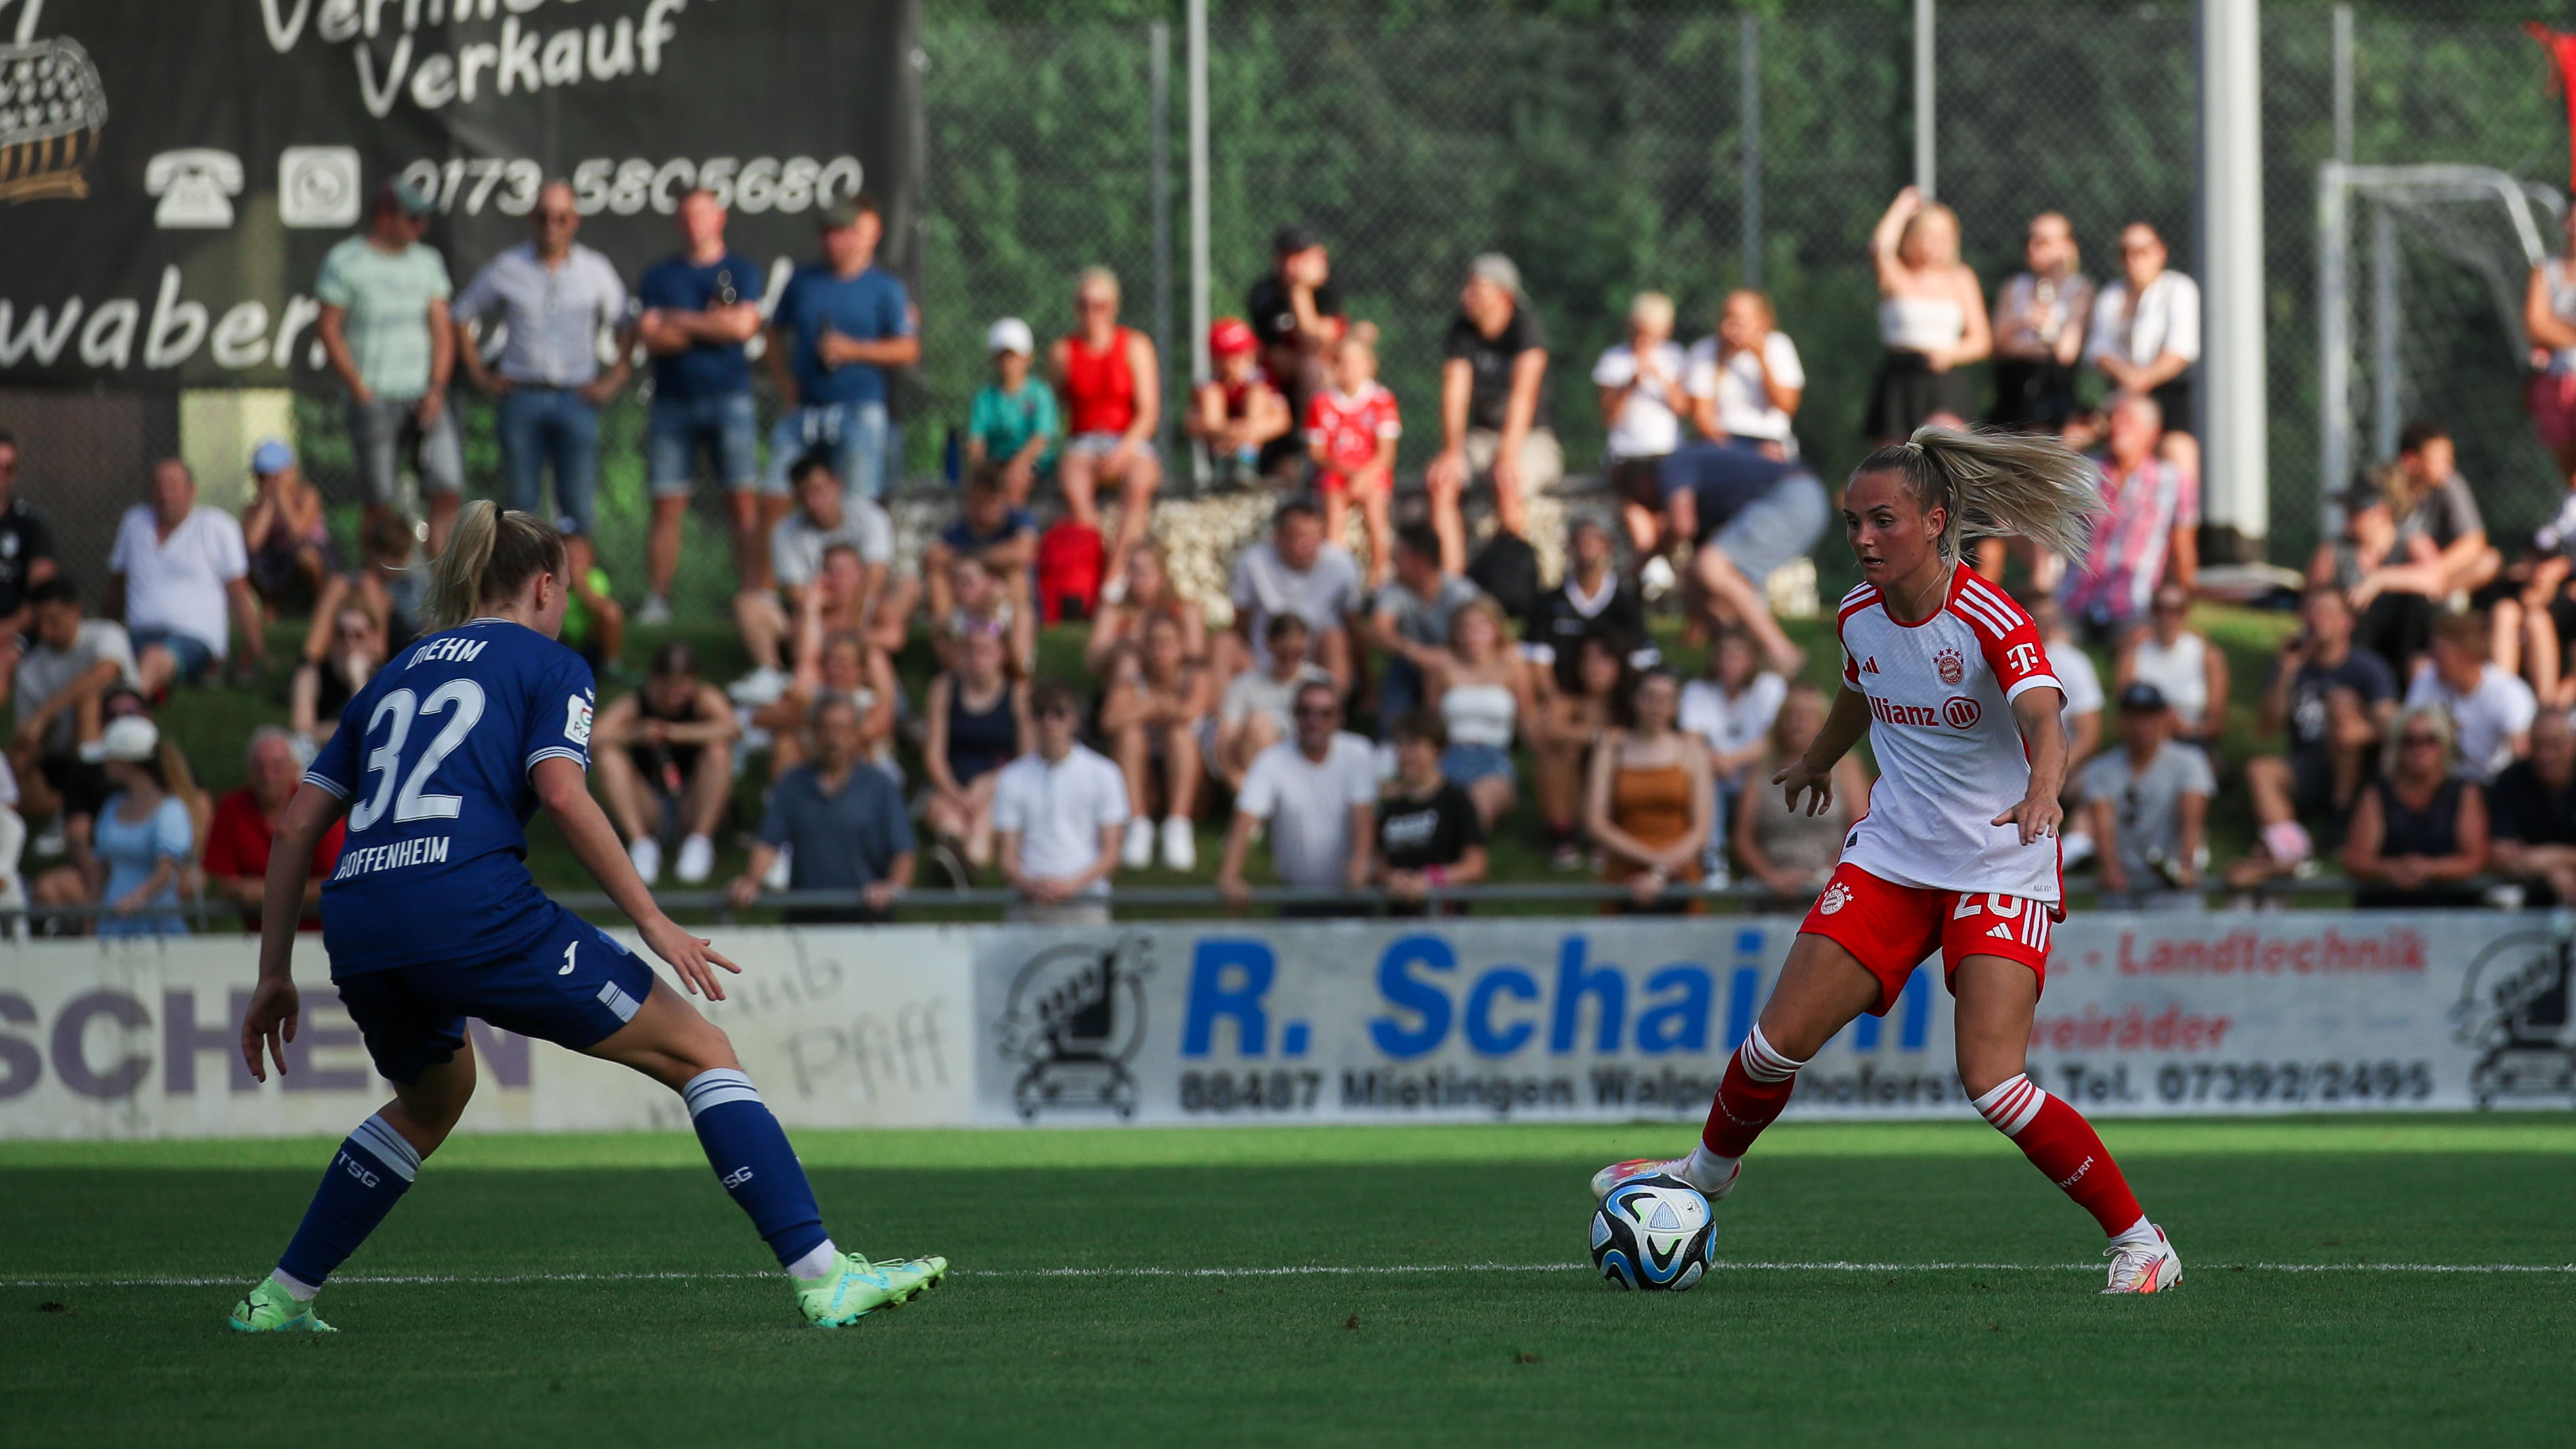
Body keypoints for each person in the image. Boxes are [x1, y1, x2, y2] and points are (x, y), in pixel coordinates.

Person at [230, 501, 945, 1333]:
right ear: (544, 585)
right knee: (701, 1049)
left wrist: (274, 972)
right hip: (470, 902)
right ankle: (825, 1277)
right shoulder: (548, 662)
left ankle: (280, 1297)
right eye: (565, 589)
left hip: (359, 916)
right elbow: (564, 793)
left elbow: (296, 825)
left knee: (431, 1099)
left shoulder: (393, 672)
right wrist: (654, 920)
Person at [1592, 428, 2188, 1296]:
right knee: (1771, 1044)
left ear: (1935, 521)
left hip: (2000, 859)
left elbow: (2045, 719)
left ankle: (2142, 1242)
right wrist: (1816, 760)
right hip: (1894, 858)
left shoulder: (1991, 614)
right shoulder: (1858, 615)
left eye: (1883, 521)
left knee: (1992, 1081)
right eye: (1852, 523)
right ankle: (1704, 1175)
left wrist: (2045, 793)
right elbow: (1859, 686)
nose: (1864, 538)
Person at [452, 179, 631, 538]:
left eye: (561, 218)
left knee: (579, 507)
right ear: (532, 219)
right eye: (544, 217)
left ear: (574, 221)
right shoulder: (509, 266)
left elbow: (628, 322)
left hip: (576, 397)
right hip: (523, 395)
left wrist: (616, 377)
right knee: (520, 511)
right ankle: (525, 590)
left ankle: (577, 590)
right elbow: (461, 313)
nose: (552, 226)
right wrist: (480, 375)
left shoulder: (595, 269)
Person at [633, 188, 770, 623]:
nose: (696, 223)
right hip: (672, 403)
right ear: (678, 222)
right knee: (667, 504)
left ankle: (752, 597)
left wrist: (680, 319)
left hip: (731, 399)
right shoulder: (659, 276)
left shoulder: (742, 270)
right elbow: (652, 337)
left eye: (703, 214)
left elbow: (743, 329)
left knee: (742, 501)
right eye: (687, 215)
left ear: (720, 218)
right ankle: (658, 601)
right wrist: (713, 324)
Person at [316, 179, 461, 555]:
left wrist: (437, 388)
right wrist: (358, 386)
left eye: (423, 220)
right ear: (384, 218)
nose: (421, 227)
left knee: (447, 487)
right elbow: (329, 328)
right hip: (374, 397)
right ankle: (381, 596)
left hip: (423, 396)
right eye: (412, 218)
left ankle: (443, 590)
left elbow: (442, 331)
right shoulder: (346, 260)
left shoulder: (428, 263)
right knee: (378, 499)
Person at [2226, 586, 2401, 887]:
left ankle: (2342, 818)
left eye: (2327, 613)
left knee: (2341, 704)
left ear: (2348, 623)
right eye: (2312, 612)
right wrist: (2286, 672)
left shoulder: (2368, 668)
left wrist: (2355, 732)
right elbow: (2267, 728)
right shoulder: (2291, 666)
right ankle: (2291, 851)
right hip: (2308, 764)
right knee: (2260, 770)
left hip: (2362, 771)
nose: (2317, 621)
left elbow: (2393, 724)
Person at [765, 195, 917, 504]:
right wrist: (784, 383)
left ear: (855, 235)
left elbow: (907, 349)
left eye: (839, 231)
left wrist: (853, 350)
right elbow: (772, 332)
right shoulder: (803, 280)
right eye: (826, 232)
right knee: (774, 498)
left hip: (859, 409)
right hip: (804, 409)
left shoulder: (885, 287)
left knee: (857, 505)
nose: (832, 240)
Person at [729, 695, 916, 926]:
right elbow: (768, 842)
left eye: (842, 729)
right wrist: (752, 881)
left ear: (857, 733)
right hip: (805, 920)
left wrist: (892, 888)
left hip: (867, 919)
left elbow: (903, 851)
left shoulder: (881, 787)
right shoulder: (792, 783)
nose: (833, 737)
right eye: (826, 728)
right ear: (814, 732)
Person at [1425, 253, 1558, 574]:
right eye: (1467, 287)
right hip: (1482, 437)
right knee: (1441, 483)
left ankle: (1515, 583)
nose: (1466, 296)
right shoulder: (1462, 330)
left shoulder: (1526, 328)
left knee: (1507, 482)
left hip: (1530, 437)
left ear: (1504, 295)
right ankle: (1452, 583)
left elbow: (1523, 398)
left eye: (1476, 288)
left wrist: (1507, 457)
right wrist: (1452, 452)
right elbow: (1454, 394)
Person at [2342, 420, 2499, 677]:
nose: (2448, 467)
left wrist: (2429, 575)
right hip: (2394, 578)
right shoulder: (2388, 485)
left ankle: (2440, 598)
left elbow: (2473, 542)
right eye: (2440, 460)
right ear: (2411, 461)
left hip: (2429, 575)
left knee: (2488, 561)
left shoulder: (2449, 486)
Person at [1655, 444, 1826, 676]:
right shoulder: (1709, 492)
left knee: (1711, 566)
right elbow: (1699, 576)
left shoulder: (1673, 465)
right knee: (1708, 573)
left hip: (1790, 494)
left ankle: (1783, 654)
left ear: (1644, 481)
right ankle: (1740, 659)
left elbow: (1682, 526)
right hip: (1803, 497)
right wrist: (1691, 637)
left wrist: (1649, 555)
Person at [736, 453, 897, 695]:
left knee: (907, 587)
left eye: (819, 490)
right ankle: (771, 674)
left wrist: (850, 620)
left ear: (837, 484)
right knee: (748, 604)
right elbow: (796, 592)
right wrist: (823, 606)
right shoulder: (785, 531)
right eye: (805, 494)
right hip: (815, 611)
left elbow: (876, 576)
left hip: (863, 609)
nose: (814, 501)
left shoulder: (871, 517)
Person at [6, 578, 135, 871]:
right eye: (39, 623)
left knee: (87, 702)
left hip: (117, 742)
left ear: (76, 611)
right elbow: (30, 733)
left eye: (54, 621)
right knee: (17, 758)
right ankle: (62, 808)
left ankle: (77, 807)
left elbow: (106, 672)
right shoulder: (31, 668)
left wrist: (45, 715)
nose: (46, 631)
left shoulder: (106, 634)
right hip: (65, 753)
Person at [1218, 679, 1377, 914]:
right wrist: (1230, 876)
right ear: (1294, 715)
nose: (1315, 721)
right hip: (1296, 895)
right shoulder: (1271, 760)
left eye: (1325, 714)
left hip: (1352, 891)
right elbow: (1246, 818)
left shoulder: (1357, 753)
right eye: (1306, 712)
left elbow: (1362, 813)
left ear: (1340, 718)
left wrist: (1361, 862)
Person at [1049, 267, 1164, 591]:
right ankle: (1094, 560)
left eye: (1100, 305)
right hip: (1084, 441)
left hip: (1129, 440)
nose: (1092, 313)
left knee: (1139, 483)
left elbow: (1148, 412)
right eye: (1084, 305)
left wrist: (1123, 450)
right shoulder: (1062, 352)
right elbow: (1052, 406)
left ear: (1114, 308)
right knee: (1074, 483)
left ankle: (1115, 577)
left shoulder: (1135, 346)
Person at [590, 641, 739, 887]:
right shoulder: (637, 702)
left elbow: (732, 728)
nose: (672, 695)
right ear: (653, 679)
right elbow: (595, 736)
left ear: (694, 681)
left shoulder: (704, 698)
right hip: (651, 805)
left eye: (680, 686)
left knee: (718, 752)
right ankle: (641, 844)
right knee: (607, 757)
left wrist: (680, 733)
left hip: (692, 803)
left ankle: (699, 842)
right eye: (665, 685)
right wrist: (636, 733)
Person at [108, 458, 261, 693]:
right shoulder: (134, 522)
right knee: (100, 658)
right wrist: (106, 632)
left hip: (193, 639)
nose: (164, 493)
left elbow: (239, 594)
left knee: (153, 658)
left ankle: (130, 710)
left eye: (172, 485)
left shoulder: (217, 527)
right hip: (137, 635)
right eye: (158, 485)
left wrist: (257, 651)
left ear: (192, 490)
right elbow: (117, 587)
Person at [993, 678, 1129, 925]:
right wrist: (1031, 886)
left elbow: (1111, 853)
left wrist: (1071, 886)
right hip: (1028, 901)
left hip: (1087, 900)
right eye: (1040, 713)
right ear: (1031, 719)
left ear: (1074, 718)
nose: (1049, 722)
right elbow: (1007, 859)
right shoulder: (1010, 778)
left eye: (1058, 713)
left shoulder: (1104, 773)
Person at [2060, 391, 2196, 638]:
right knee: (2048, 642)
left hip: (2134, 605)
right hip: (2075, 600)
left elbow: (2183, 551)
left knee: (2136, 645)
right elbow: (2026, 485)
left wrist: (2180, 605)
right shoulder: (2085, 470)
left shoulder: (2171, 481)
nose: (2117, 427)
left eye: (2128, 421)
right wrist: (2072, 439)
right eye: (2114, 419)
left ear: (2152, 433)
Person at [1864, 188, 1990, 444]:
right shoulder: (1897, 277)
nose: (1937, 243)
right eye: (1930, 234)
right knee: (1894, 461)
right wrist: (1901, 209)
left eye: (1945, 235)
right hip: (1900, 381)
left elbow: (1981, 340)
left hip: (1943, 384)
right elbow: (1880, 249)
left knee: (1947, 461)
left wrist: (1951, 354)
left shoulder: (1961, 278)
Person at [1586, 665, 1713, 911]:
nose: (1656, 706)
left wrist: (1661, 871)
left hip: (1679, 872)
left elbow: (1701, 828)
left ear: (1676, 704)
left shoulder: (1692, 750)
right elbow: (1596, 822)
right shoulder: (1611, 747)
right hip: (1624, 871)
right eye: (1649, 697)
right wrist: (1654, 860)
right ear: (1635, 698)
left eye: (1666, 699)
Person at [2085, 221, 2202, 482]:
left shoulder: (2178, 289)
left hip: (2169, 395)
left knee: (2180, 457)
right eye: (2125, 252)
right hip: (2122, 395)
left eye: (2141, 251)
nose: (2132, 260)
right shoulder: (2111, 295)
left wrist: (2140, 380)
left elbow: (2180, 350)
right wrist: (2130, 380)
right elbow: (2098, 350)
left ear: (2160, 252)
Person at [1733, 681, 1868, 905]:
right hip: (1771, 888)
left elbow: (1860, 826)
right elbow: (1743, 836)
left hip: (1831, 885)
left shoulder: (1846, 766)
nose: (1798, 722)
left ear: (1824, 723)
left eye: (1807, 715)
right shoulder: (1761, 769)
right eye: (1791, 715)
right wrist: (1770, 877)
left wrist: (1826, 874)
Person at [2079, 683, 2212, 909]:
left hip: (2173, 883)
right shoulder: (2100, 770)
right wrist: (2110, 867)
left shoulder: (2189, 762)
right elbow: (2102, 824)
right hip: (2123, 886)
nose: (2140, 726)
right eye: (2133, 717)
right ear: (2121, 720)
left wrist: (2187, 864)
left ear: (2164, 719)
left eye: (2148, 717)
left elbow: (2191, 822)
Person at [2342, 706, 2488, 909]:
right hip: (2386, 913)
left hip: (2450, 913)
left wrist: (2428, 869)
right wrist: (2393, 870)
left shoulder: (2465, 793)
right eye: (2409, 742)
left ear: (2445, 745)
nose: (2420, 749)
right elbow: (2356, 859)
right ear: (2396, 748)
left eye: (2430, 740)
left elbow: (2475, 859)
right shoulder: (2375, 794)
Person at [61, 715, 194, 938]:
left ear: (127, 761)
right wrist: (91, 922)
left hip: (155, 922)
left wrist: (135, 900)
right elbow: (100, 871)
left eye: (109, 757)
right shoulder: (113, 807)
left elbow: (168, 871)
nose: (104, 764)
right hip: (113, 919)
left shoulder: (170, 809)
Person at [205, 727, 347, 934]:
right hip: (257, 939)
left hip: (321, 937)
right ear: (249, 771)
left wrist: (269, 893)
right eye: (259, 767)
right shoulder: (231, 808)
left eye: (277, 767)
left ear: (294, 769)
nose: (268, 775)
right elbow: (226, 884)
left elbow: (339, 879)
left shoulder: (319, 806)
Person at [1101, 611, 1210, 873]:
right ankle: (1137, 825)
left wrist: (1147, 708)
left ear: (1182, 646)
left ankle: (1178, 825)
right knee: (1129, 736)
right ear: (1145, 648)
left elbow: (1189, 713)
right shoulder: (1130, 682)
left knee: (1179, 734)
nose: (1162, 650)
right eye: (1155, 643)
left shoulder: (1196, 678)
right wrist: (1155, 706)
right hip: (1145, 779)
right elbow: (1108, 722)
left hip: (1193, 783)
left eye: (1169, 642)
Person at [1222, 497, 1365, 695]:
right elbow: (1240, 626)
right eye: (1300, 537)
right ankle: (1221, 718)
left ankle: (1329, 710)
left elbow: (1355, 629)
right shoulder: (1252, 563)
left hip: (1316, 664)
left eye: (1316, 537)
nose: (1309, 545)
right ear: (1279, 537)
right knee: (1223, 642)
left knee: (1336, 637)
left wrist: (1369, 685)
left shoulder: (1341, 564)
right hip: (1263, 664)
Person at [921, 623, 1028, 873]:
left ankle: (967, 866)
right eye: (971, 650)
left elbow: (1026, 757)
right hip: (951, 782)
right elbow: (933, 755)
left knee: (983, 819)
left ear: (1002, 654)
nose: (978, 657)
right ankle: (955, 857)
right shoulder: (943, 689)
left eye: (986, 650)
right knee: (947, 815)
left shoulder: (1018, 694)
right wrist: (956, 793)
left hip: (998, 783)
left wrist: (990, 784)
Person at [1305, 326, 1401, 584]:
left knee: (1376, 509)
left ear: (1369, 366)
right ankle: (1335, 576)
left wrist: (1363, 475)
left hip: (1370, 473)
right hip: (1336, 474)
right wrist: (1344, 471)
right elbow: (1316, 452)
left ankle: (1380, 572)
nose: (1348, 369)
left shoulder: (1382, 400)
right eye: (1342, 362)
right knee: (1333, 510)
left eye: (1356, 362)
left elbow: (1386, 454)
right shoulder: (1321, 402)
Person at [1367, 524, 1484, 735]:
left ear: (1420, 561)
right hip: (1410, 667)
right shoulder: (1396, 590)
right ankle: (1390, 752)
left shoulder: (1461, 593)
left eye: (1399, 556)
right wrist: (1417, 653)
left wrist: (1443, 659)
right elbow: (1378, 630)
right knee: (1392, 715)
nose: (1393, 562)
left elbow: (1480, 633)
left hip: (1458, 664)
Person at [1247, 225, 1346, 468]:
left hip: (1322, 380)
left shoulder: (1329, 287)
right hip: (1278, 384)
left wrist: (1299, 292)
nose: (1294, 265)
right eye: (1288, 257)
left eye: (1301, 257)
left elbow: (1317, 344)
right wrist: (1298, 290)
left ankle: (1313, 446)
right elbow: (1277, 360)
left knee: (1314, 369)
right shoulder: (1263, 294)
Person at [1987, 212, 2095, 434]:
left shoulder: (2079, 290)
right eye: (2030, 240)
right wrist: (2022, 320)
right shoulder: (2013, 286)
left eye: (2044, 242)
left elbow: (2066, 352)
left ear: (2066, 246)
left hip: (2053, 394)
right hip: (2012, 391)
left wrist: (2023, 343)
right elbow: (1994, 345)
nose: (2034, 248)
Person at [1679, 630, 1786, 851]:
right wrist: (1718, 763)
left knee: (1759, 772)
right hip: (1714, 771)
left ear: (1752, 659)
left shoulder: (1770, 686)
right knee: (1705, 778)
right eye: (1724, 654)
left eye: (1738, 655)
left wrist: (1731, 760)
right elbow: (1691, 741)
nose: (1730, 662)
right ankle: (1713, 855)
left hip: (1757, 773)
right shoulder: (1697, 689)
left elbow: (1773, 741)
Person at [2403, 610, 2537, 785]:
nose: (2432, 658)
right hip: (2439, 785)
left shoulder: (2508, 693)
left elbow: (2523, 752)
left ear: (2466, 657)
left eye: (2440, 653)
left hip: (2491, 786)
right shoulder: (2428, 678)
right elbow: (2406, 730)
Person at [753, 630, 901, 786]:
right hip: (813, 764)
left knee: (852, 749)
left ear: (862, 670)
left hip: (864, 768)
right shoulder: (814, 695)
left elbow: (869, 731)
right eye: (830, 662)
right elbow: (760, 718)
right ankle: (786, 803)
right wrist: (805, 710)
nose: (835, 670)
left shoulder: (869, 701)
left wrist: (815, 714)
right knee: (786, 742)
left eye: (844, 664)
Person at [1524, 513, 1649, 698]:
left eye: (1594, 539)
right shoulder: (1548, 602)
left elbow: (1640, 662)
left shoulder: (1627, 603)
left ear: (1607, 546)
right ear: (1569, 547)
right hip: (1562, 703)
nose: (1587, 545)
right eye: (1580, 540)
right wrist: (1559, 706)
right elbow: (1537, 662)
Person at [1375, 712, 1488, 916]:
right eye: (1401, 745)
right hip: (1398, 922)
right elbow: (1379, 861)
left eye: (1415, 745)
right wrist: (1391, 878)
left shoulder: (1456, 800)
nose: (1406, 753)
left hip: (1446, 920)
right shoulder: (1391, 807)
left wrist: (1431, 880)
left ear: (1438, 750)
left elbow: (1475, 864)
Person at [1533, 633, 1629, 871]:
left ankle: (1607, 835)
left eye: (1603, 660)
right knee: (1557, 754)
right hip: (1575, 790)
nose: (1593, 669)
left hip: (1620, 788)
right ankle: (1563, 836)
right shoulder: (1566, 700)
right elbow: (1550, 731)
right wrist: (1599, 736)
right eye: (1586, 661)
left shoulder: (1632, 699)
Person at [1593, 292, 1692, 524]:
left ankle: (1654, 557)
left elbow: (1683, 408)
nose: (1641, 340)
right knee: (1634, 507)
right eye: (1637, 332)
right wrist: (1631, 383)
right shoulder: (1613, 359)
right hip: (1627, 456)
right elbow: (1609, 416)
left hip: (1667, 454)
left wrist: (1660, 377)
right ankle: (1650, 556)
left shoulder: (1675, 356)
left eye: (1649, 334)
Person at [1213, 614, 1330, 790]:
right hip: (1254, 767)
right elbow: (1225, 738)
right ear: (1269, 645)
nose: (1290, 659)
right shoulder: (1246, 684)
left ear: (1307, 645)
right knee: (1258, 723)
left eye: (1297, 653)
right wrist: (1234, 776)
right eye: (1284, 653)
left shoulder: (1320, 682)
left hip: (1306, 763)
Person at [1685, 288, 1804, 458]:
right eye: (1725, 318)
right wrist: (1737, 453)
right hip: (1722, 445)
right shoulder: (1704, 350)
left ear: (1761, 322)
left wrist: (1761, 357)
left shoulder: (1778, 345)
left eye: (1737, 320)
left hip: (1770, 442)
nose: (1728, 326)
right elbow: (1702, 417)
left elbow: (1787, 405)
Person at [2113, 582, 2229, 753]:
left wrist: (2183, 730)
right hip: (2142, 747)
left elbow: (2216, 725)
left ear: (2186, 613)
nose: (2167, 618)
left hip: (2191, 744)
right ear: (2152, 612)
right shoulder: (2134, 653)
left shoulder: (2208, 656)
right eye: (2160, 609)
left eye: (2176, 610)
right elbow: (2122, 718)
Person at [302, 510, 428, 665]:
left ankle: (375, 661)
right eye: (382, 553)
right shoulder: (357, 579)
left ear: (406, 554)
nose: (387, 561)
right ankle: (308, 663)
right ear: (370, 551)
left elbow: (415, 623)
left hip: (400, 646)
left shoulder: (411, 585)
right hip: (352, 639)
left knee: (369, 584)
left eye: (395, 555)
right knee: (339, 584)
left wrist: (381, 596)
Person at [924, 465, 1039, 628]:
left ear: (1003, 499)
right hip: (968, 597)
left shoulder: (1019, 519)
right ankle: (950, 633)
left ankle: (1012, 638)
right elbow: (933, 557)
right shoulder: (959, 528)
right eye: (978, 502)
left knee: (1015, 572)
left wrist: (973, 558)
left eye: (991, 502)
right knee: (937, 576)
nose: (984, 510)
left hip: (1006, 600)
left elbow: (1023, 553)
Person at [239, 438, 334, 627]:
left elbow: (298, 533)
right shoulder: (253, 508)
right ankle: (270, 609)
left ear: (292, 472)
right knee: (242, 560)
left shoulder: (308, 496)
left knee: (306, 556)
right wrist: (268, 505)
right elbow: (251, 544)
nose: (269, 483)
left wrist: (282, 498)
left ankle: (322, 608)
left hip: (310, 558)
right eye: (262, 477)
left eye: (275, 476)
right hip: (277, 561)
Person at [2487, 706, 2576, 905]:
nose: (2546, 756)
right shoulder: (2511, 780)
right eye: (2538, 745)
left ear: (2573, 744)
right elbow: (2501, 854)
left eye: (2556, 745)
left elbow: (2525, 857)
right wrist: (2551, 869)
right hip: (2533, 905)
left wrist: (2548, 857)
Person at [967, 317, 1060, 507]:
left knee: (1015, 481)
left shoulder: (1040, 393)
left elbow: (1041, 438)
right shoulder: (985, 397)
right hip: (996, 461)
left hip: (1032, 464)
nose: (1008, 363)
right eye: (1002, 357)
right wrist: (982, 469)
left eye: (1014, 356)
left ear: (1028, 358)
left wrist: (1016, 466)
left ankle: (1015, 530)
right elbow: (976, 441)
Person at [1191, 316, 1291, 490]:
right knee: (1211, 395)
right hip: (1220, 445)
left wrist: (1246, 430)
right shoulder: (1208, 385)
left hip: (1260, 448)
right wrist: (1225, 431)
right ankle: (1222, 464)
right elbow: (1191, 423)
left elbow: (1283, 421)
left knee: (1257, 395)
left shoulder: (1261, 381)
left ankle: (1245, 462)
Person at [1085, 541, 1207, 676]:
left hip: (1174, 683)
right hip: (1128, 678)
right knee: (1128, 659)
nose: (1140, 578)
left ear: (1162, 573)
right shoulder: (1113, 612)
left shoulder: (1185, 610)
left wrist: (1164, 646)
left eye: (1147, 570)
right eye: (1134, 570)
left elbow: (1197, 657)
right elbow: (1094, 662)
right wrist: (1123, 645)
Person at [2523, 203, 2576, 490]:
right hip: (2555, 380)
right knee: (2569, 473)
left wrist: (2556, 326)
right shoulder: (2546, 270)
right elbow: (2536, 325)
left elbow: (2547, 324)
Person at [291, 604, 384, 751]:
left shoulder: (384, 678)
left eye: (358, 636)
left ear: (372, 639)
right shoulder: (311, 674)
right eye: (342, 634)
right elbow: (301, 733)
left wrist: (358, 682)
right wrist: (351, 730)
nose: (349, 643)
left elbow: (371, 733)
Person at [2030, 597, 2105, 771]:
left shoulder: (2074, 662)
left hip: (2062, 766)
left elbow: (2089, 736)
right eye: (2040, 619)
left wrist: (2051, 776)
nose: (2048, 626)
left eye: (2052, 619)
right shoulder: (2001, 661)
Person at [0, 429, 59, 646]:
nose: (2, 474)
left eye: (8, 469)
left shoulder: (31, 524)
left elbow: (41, 594)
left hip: (15, 635)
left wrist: (6, 629)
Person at [554, 521, 624, 677]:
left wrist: (581, 586)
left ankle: (610, 666)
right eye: (568, 555)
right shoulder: (552, 581)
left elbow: (603, 608)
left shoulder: (596, 578)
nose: (573, 561)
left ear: (590, 556)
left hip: (589, 642)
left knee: (612, 613)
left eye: (578, 554)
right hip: (562, 642)